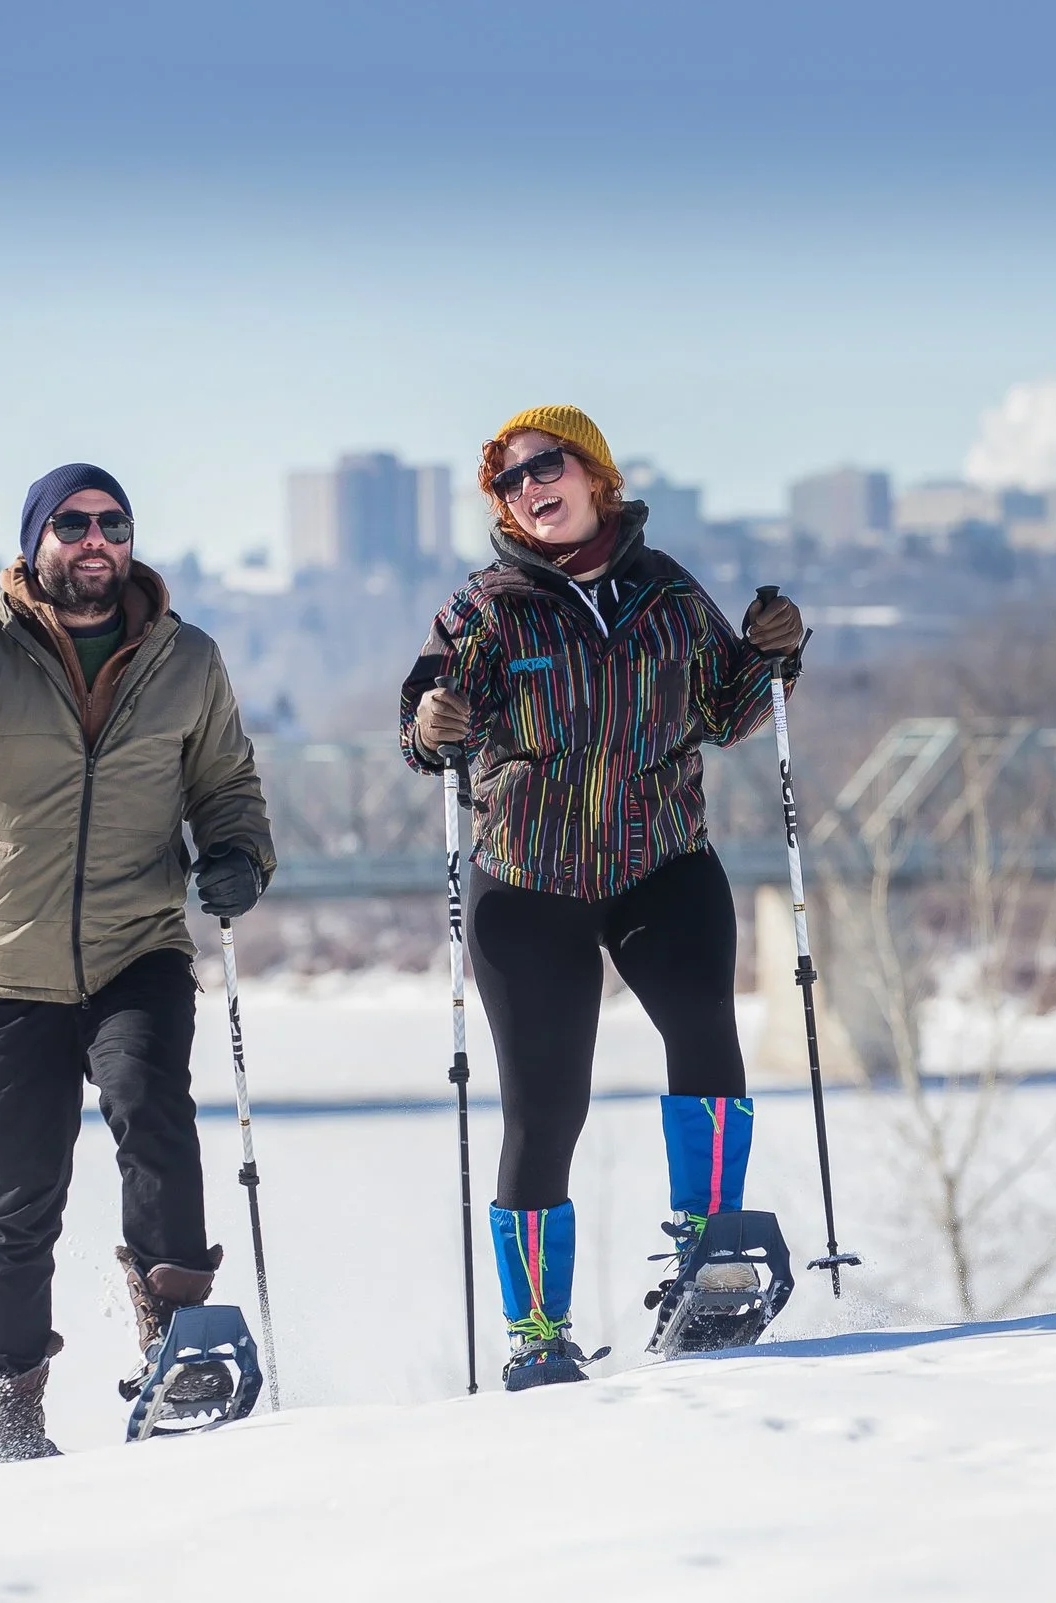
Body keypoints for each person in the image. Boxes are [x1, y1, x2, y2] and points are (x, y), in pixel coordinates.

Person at [0, 463, 276, 1461]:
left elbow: (226, 780)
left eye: (114, 523)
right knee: (20, 1199)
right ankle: (9, 1408)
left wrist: (237, 856)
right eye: (73, 523)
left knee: (155, 1115)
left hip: (139, 941)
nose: (96, 539)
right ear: (36, 539)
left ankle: (181, 1341)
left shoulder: (187, 658)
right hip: (8, 963)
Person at [398, 404, 806, 1391]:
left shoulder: (665, 591)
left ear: (596, 475)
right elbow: (420, 733)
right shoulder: (485, 608)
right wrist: (434, 720)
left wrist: (771, 655)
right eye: (507, 479)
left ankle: (710, 1253)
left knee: (706, 1026)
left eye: (546, 465)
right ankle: (538, 1331)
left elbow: (726, 711)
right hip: (527, 884)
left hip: (659, 861)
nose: (528, 487)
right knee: (547, 1110)